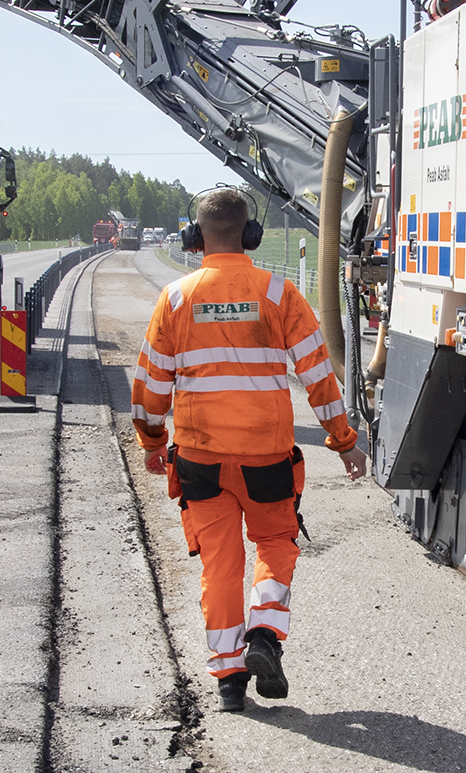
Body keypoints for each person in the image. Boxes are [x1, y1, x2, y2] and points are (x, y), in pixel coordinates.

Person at [131, 187, 368, 714]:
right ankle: (264, 634)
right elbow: (319, 375)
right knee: (276, 544)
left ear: (195, 237)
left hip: (200, 460)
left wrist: (152, 442)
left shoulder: (175, 298)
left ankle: (229, 682)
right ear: (251, 235)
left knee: (219, 565)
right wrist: (344, 442)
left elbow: (150, 386)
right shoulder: (279, 293)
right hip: (267, 458)